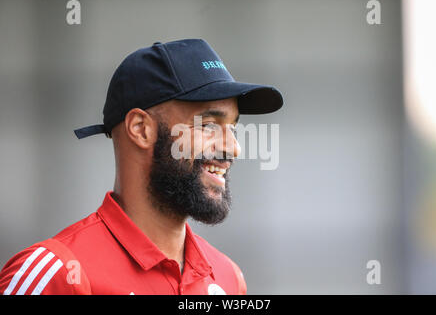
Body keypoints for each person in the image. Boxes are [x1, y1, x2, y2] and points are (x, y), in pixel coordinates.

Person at [0, 39, 283, 295]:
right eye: (208, 124)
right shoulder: (57, 274)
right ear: (141, 129)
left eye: (232, 127)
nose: (234, 148)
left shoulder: (228, 279)